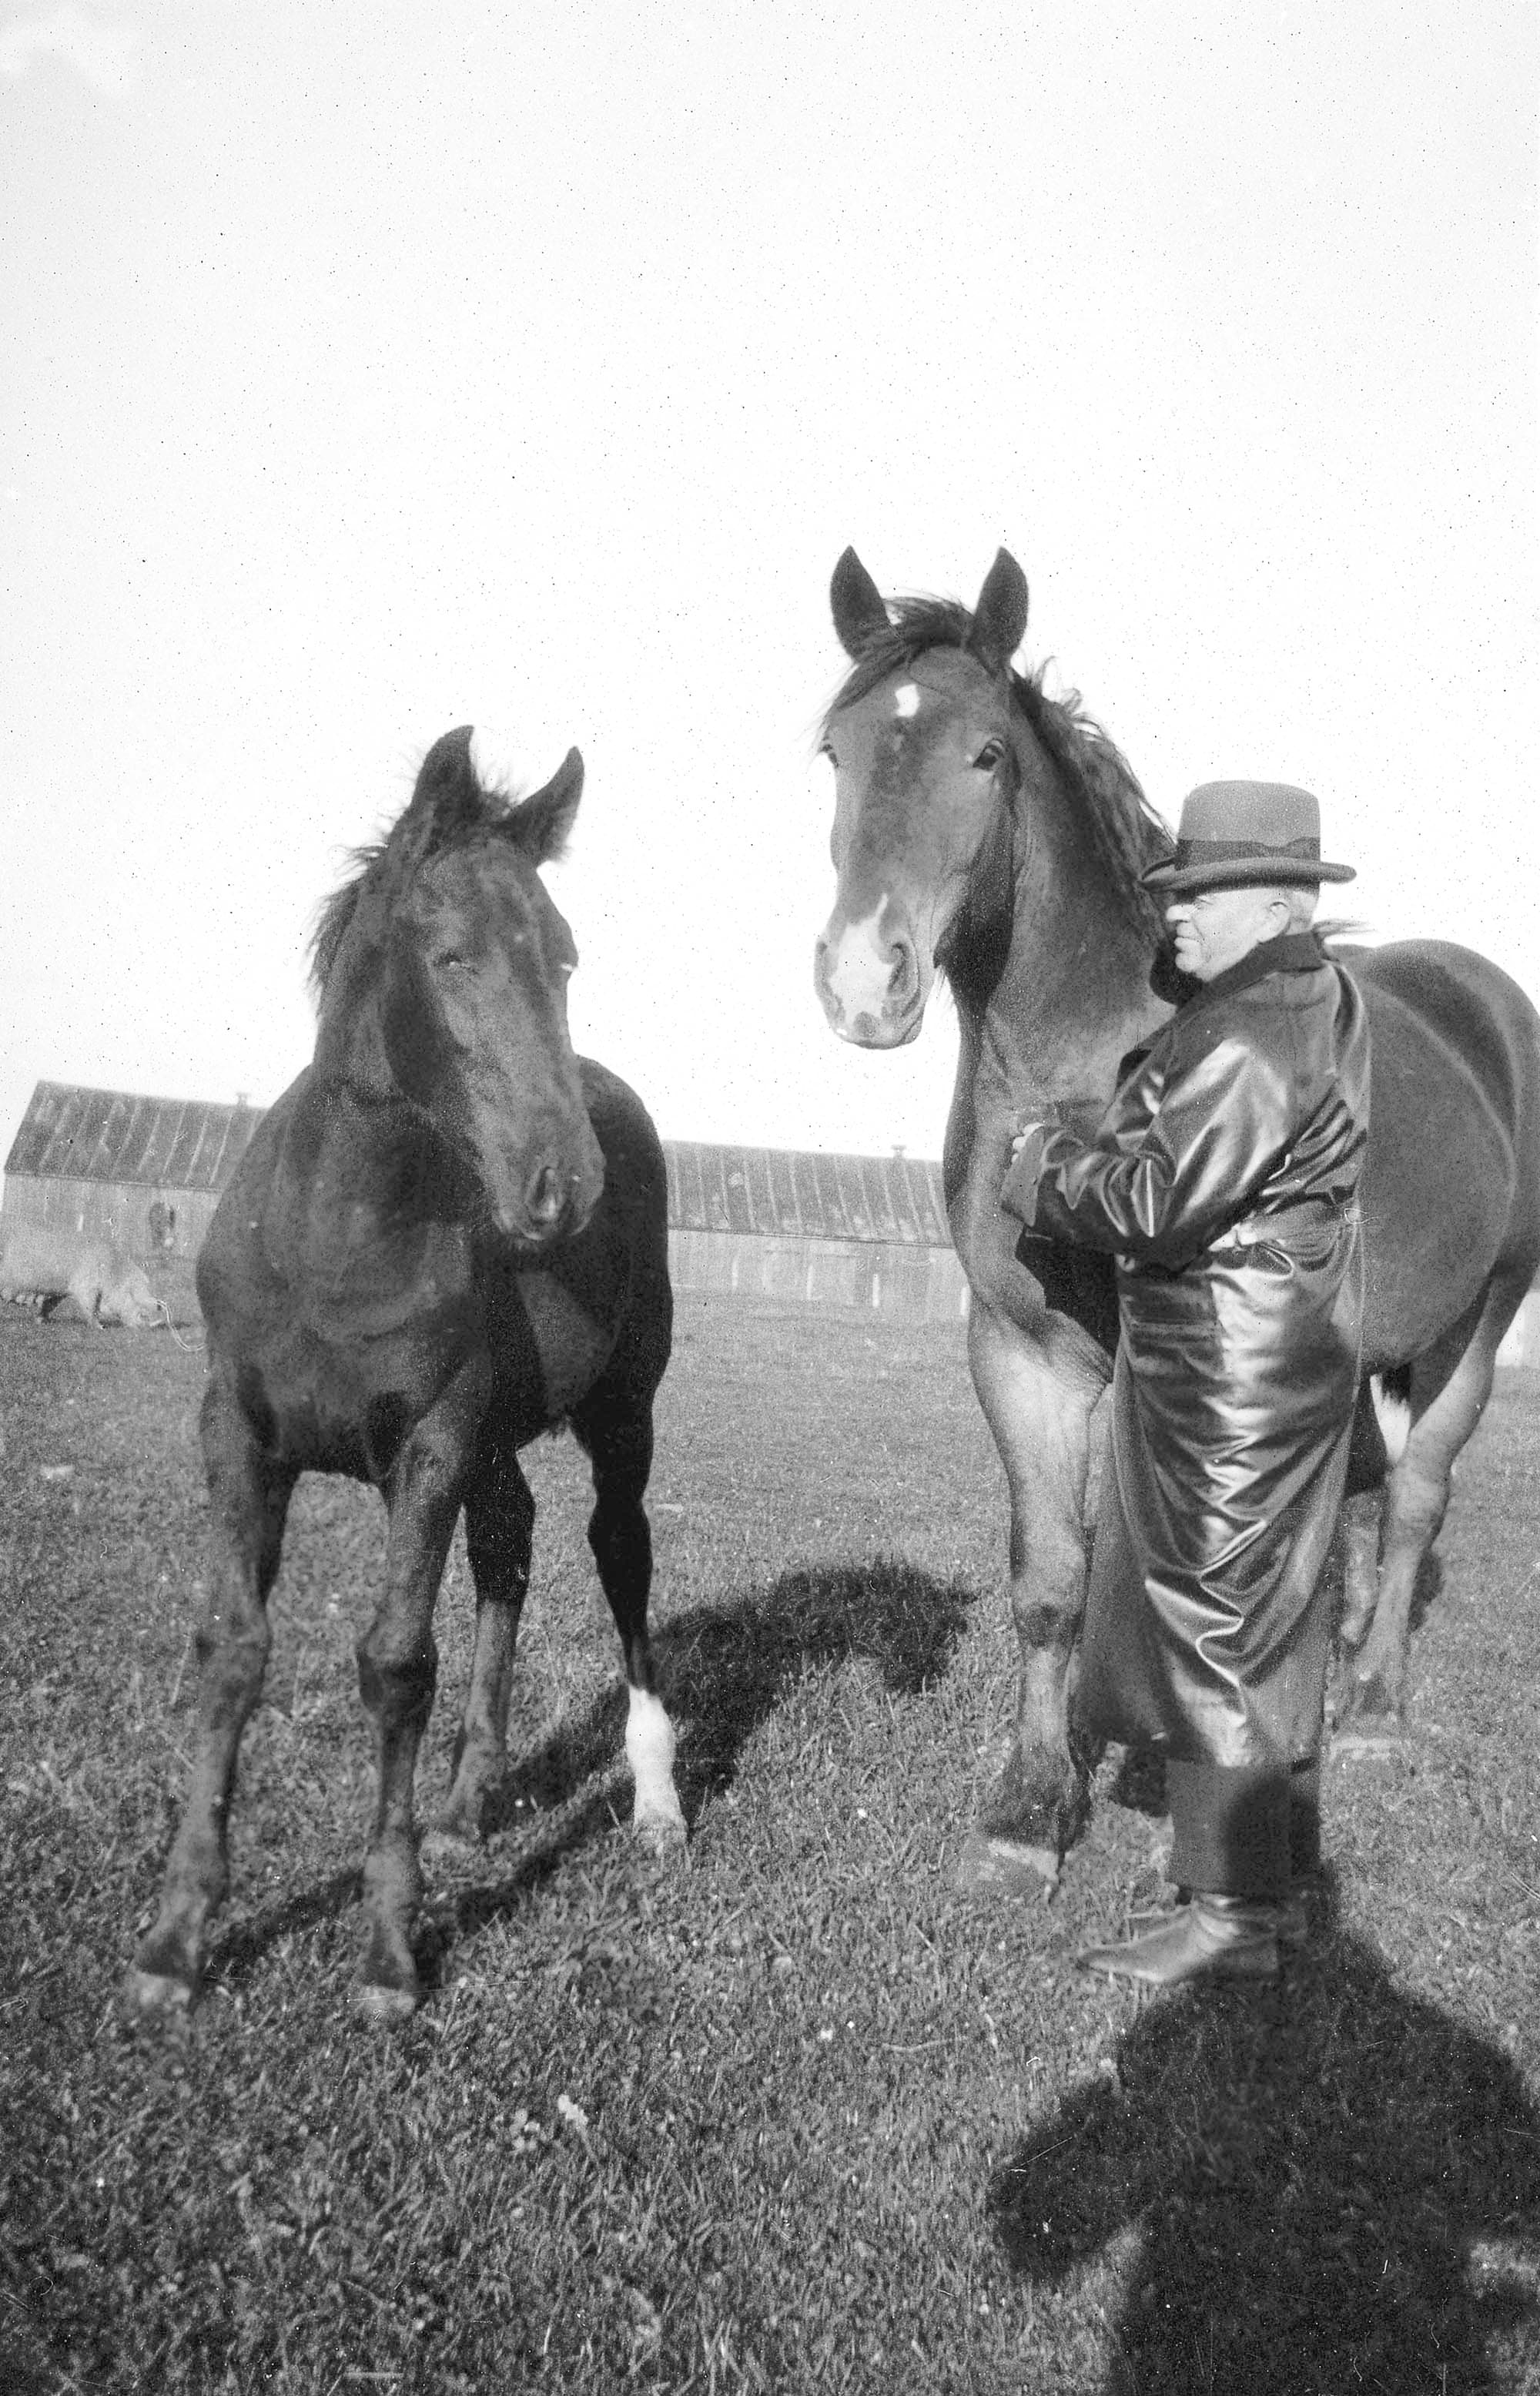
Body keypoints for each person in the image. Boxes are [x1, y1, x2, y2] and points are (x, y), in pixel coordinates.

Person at [1001, 780, 1370, 1986]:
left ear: (1272, 900)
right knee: (1266, 1620)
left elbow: (1160, 1204)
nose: (1179, 921)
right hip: (1272, 1345)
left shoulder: (1253, 1027)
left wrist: (1041, 1167)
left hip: (1229, 1367)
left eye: (1200, 899)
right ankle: (1268, 1885)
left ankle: (1232, 1916)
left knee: (1220, 1624)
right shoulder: (1311, 995)